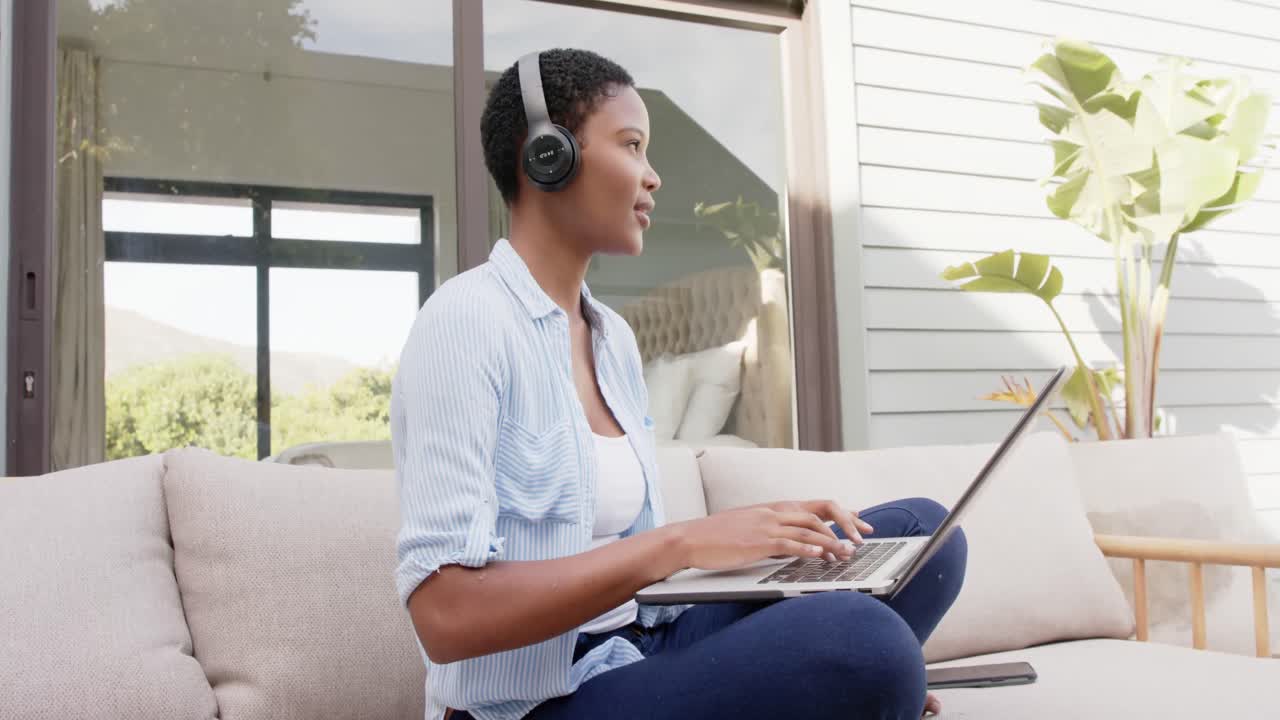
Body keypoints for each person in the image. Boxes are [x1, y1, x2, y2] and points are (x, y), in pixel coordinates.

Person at [390, 48, 967, 720]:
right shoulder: (466, 323)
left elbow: (639, 571)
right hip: (532, 701)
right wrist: (683, 542)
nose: (653, 176)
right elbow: (445, 615)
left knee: (926, 536)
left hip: (640, 649)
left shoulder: (612, 339)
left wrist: (759, 544)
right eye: (632, 145)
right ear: (548, 155)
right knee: (868, 646)